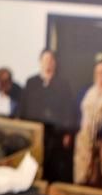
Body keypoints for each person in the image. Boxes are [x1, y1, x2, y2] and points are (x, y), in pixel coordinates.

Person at [21, 50, 77, 183]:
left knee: (53, 163)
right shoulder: (31, 82)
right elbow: (24, 106)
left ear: (55, 63)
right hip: (35, 131)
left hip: (55, 133)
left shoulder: (63, 85)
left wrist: (67, 133)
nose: (48, 64)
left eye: (51, 61)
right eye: (45, 60)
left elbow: (68, 109)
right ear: (40, 62)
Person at [73, 59, 102, 187]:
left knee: (99, 172)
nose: (101, 76)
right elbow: (76, 112)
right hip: (84, 136)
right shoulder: (85, 91)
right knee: (82, 171)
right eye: (98, 72)